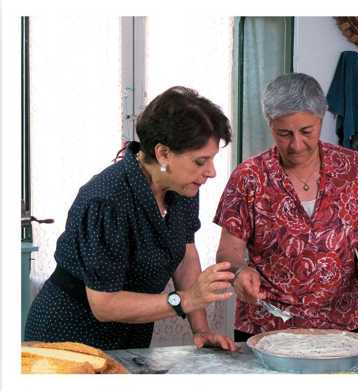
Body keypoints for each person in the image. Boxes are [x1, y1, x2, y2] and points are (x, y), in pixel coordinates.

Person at [25, 86, 237, 351]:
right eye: (200, 161)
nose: (211, 172)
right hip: (68, 335)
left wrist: (202, 329)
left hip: (130, 338)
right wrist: (185, 300)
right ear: (163, 154)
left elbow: (184, 254)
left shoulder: (183, 187)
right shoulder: (106, 200)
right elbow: (104, 304)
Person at [214, 73, 358, 342]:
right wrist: (239, 273)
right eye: (284, 134)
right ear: (270, 125)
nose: (296, 145)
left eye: (306, 131)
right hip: (268, 326)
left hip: (342, 324)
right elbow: (228, 254)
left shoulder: (352, 168)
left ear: (321, 121)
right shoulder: (249, 176)